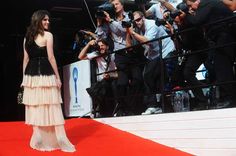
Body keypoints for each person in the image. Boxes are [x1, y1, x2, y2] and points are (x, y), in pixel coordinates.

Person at [21, 10, 75, 152]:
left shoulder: (27, 37)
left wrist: (24, 79)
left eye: (48, 20)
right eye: (45, 20)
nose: (47, 22)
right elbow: (51, 57)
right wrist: (58, 77)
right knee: (50, 106)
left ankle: (40, 137)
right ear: (38, 20)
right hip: (44, 74)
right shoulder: (48, 35)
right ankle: (49, 138)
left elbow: (26, 60)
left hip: (31, 76)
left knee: (37, 105)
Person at [183, 0, 236, 108]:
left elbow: (196, 21)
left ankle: (229, 98)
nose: (191, 8)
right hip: (225, 37)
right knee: (223, 68)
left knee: (222, 68)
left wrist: (185, 15)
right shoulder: (211, 4)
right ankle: (228, 97)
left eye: (190, 5)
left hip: (223, 38)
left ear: (197, 1)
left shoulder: (205, 3)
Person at [100, 0, 144, 116]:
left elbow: (124, 29)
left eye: (116, 4)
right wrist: (100, 22)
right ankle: (122, 108)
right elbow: (102, 36)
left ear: (122, 5)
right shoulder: (109, 21)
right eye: (113, 5)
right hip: (120, 54)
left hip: (133, 52)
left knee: (137, 80)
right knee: (122, 83)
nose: (114, 6)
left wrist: (111, 21)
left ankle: (132, 108)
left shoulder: (129, 15)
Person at [127, 11, 176, 115]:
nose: (137, 23)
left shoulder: (151, 24)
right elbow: (130, 46)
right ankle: (155, 105)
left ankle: (161, 106)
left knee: (161, 79)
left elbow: (147, 41)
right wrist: (129, 32)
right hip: (154, 55)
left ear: (143, 18)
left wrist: (133, 33)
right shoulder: (137, 28)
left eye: (139, 20)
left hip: (167, 51)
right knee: (149, 77)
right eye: (135, 21)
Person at [79, 38, 117, 117]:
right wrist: (89, 44)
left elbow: (117, 72)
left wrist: (110, 75)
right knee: (94, 89)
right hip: (102, 80)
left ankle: (113, 110)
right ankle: (98, 109)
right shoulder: (96, 54)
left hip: (113, 78)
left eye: (102, 45)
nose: (100, 47)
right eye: (99, 46)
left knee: (110, 86)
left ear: (107, 46)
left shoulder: (113, 55)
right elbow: (80, 57)